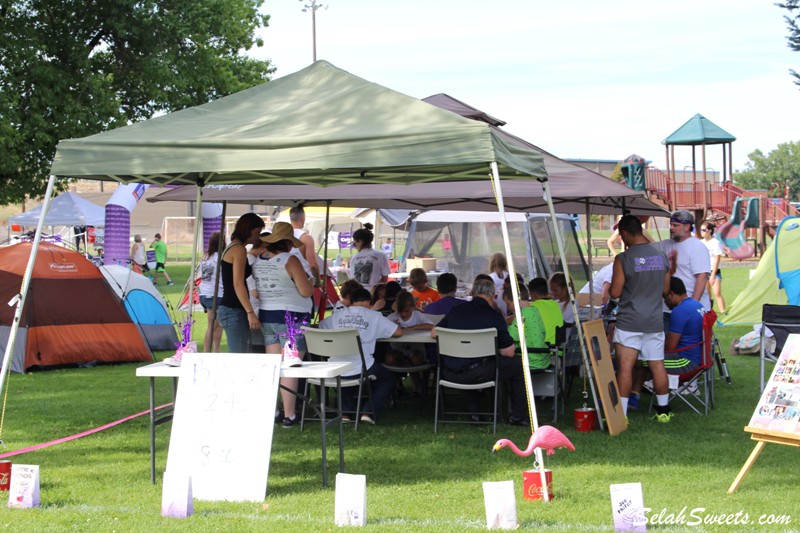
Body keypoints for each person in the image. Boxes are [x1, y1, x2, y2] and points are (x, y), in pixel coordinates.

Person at [433, 278, 529, 426]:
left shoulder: (456, 310)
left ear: (472, 293)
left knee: (466, 358)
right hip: (480, 373)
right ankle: (518, 416)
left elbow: (434, 333)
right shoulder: (494, 316)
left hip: (450, 372)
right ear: (492, 296)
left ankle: (475, 414)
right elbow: (508, 352)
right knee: (519, 365)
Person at [609, 214, 672, 422]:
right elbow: (666, 290)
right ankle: (663, 412)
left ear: (625, 233)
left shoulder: (623, 258)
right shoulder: (661, 256)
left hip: (629, 321)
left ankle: (622, 415)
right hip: (654, 320)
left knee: (625, 367)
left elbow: (615, 293)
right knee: (657, 365)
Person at [254, 222, 315, 429]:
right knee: (290, 366)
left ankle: (275, 410)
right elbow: (306, 291)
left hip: (267, 314)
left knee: (274, 367)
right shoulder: (290, 260)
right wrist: (312, 282)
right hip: (293, 316)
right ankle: (290, 415)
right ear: (288, 243)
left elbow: (256, 289)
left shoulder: (259, 261)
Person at [320, 287, 402, 424]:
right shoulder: (374, 316)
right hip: (363, 367)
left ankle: (345, 412)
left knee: (346, 372)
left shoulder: (336, 316)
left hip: (336, 367)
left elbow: (320, 328)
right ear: (369, 302)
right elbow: (398, 332)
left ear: (350, 302)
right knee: (388, 379)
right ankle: (368, 411)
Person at [217, 213, 265, 353]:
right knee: (239, 355)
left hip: (232, 308)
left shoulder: (234, 247)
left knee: (242, 352)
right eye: (257, 232)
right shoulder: (238, 250)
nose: (258, 236)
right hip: (233, 309)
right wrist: (250, 312)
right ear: (248, 230)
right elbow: (238, 283)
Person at [658, 210, 711, 317]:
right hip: (668, 308)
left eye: (675, 225)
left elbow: (702, 276)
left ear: (687, 227)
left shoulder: (697, 247)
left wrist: (692, 306)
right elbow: (643, 246)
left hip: (691, 308)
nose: (671, 228)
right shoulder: (665, 244)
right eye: (671, 225)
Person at [663, 277, 706, 374]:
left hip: (686, 361)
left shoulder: (679, 310)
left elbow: (670, 347)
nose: (665, 302)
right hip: (700, 359)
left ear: (671, 294)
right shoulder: (697, 305)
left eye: (664, 297)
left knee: (644, 360)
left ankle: (657, 387)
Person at [503, 284, 548, 370]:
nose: (508, 308)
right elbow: (543, 332)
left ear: (516, 299)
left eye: (508, 304)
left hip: (529, 361)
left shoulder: (521, 315)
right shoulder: (535, 311)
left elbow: (509, 337)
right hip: (542, 360)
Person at [199, 231, 225, 353]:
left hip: (204, 293)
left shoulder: (205, 257)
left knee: (218, 325)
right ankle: (206, 351)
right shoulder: (220, 257)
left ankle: (216, 350)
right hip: (216, 294)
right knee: (213, 326)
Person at [349, 223, 391, 292]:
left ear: (360, 241)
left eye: (355, 243)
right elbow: (384, 279)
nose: (355, 245)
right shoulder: (381, 255)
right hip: (373, 294)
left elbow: (352, 279)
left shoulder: (355, 257)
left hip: (357, 295)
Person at [527, 277, 564, 345]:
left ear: (533, 294)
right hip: (557, 349)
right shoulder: (556, 304)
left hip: (542, 350)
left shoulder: (532, 306)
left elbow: (513, 318)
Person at [289, 206, 321, 283]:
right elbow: (313, 265)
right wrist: (317, 281)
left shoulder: (283, 237)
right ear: (302, 218)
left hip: (286, 280)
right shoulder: (306, 238)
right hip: (304, 280)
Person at [700, 222, 726, 313]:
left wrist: (713, 275)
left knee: (717, 293)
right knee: (707, 294)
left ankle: (723, 312)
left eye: (704, 230)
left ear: (710, 230)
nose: (702, 232)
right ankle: (708, 312)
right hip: (704, 271)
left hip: (713, 271)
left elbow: (717, 259)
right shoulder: (701, 243)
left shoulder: (715, 243)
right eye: (701, 230)